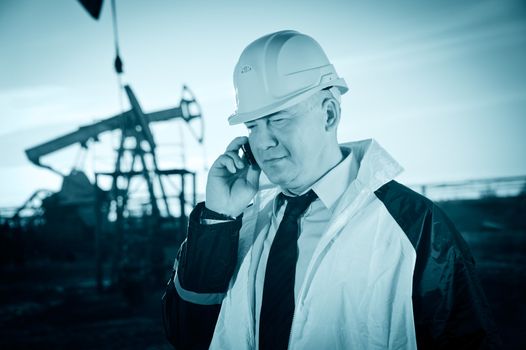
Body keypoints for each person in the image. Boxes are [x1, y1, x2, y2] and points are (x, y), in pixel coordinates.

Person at [162, 30, 500, 349]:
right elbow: (187, 335)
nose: (263, 141)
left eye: (278, 119)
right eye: (253, 126)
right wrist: (218, 218)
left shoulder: (416, 227)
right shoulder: (240, 225)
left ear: (329, 114)